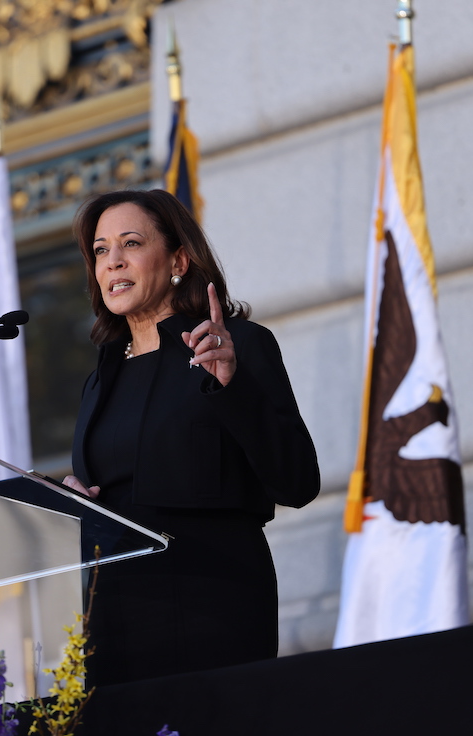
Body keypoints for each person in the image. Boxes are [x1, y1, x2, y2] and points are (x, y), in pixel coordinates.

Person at [61, 188, 320, 686]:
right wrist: (74, 507)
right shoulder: (101, 378)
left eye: (131, 243)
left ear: (178, 260)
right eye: (100, 250)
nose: (113, 261)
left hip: (211, 604)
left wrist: (232, 386)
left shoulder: (236, 346)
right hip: (114, 613)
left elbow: (298, 482)